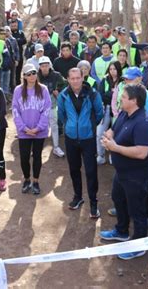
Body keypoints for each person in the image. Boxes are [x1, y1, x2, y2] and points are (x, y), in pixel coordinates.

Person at [100, 84, 148, 259]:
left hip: (137, 175)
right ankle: (121, 231)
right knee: (118, 199)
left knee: (137, 210)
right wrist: (109, 135)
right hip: (122, 171)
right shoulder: (125, 113)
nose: (120, 99)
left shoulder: (144, 123)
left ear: (134, 101)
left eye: (123, 97)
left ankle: (139, 245)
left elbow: (141, 152)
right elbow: (114, 129)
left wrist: (115, 147)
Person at [58, 68, 103, 218]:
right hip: (71, 139)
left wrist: (88, 127)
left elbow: (99, 114)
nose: (76, 81)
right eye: (72, 78)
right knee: (74, 169)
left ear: (83, 78)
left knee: (91, 171)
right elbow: (62, 115)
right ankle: (78, 197)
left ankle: (93, 203)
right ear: (68, 79)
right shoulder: (63, 95)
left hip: (88, 138)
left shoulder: (93, 94)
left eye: (78, 78)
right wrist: (71, 126)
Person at [13, 64, 51, 195]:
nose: (32, 76)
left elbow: (47, 109)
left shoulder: (43, 89)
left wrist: (38, 128)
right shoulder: (18, 90)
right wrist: (23, 128)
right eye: (28, 74)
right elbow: (15, 110)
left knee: (37, 156)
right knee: (24, 158)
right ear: (23, 76)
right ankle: (27, 179)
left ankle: (36, 181)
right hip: (24, 132)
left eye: (34, 72)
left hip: (39, 132)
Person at [37, 56, 66, 158]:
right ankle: (37, 148)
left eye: (46, 65)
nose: (44, 68)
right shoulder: (36, 75)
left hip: (51, 101)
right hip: (38, 103)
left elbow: (65, 83)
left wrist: (58, 89)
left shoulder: (56, 75)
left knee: (54, 125)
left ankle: (56, 147)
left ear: (49, 65)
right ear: (39, 67)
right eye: (42, 66)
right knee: (39, 125)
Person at [96, 61, 120, 165]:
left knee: (115, 134)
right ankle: (100, 155)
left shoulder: (122, 81)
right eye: (110, 69)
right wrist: (112, 93)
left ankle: (113, 155)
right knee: (100, 132)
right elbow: (101, 95)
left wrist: (110, 94)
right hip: (105, 109)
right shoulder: (105, 80)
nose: (112, 71)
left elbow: (121, 96)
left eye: (114, 69)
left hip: (118, 111)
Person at [10, 20, 27, 88]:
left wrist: (17, 40)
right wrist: (18, 40)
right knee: (11, 74)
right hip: (11, 57)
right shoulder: (9, 34)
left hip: (19, 56)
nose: (14, 27)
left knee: (18, 73)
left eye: (15, 26)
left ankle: (19, 86)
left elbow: (24, 41)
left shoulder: (21, 33)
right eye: (12, 26)